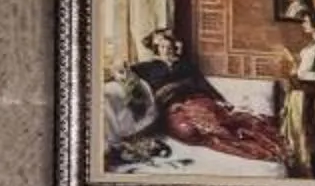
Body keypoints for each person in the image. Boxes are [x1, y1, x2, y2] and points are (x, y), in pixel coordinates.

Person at [122, 27, 284, 163]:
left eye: (169, 45)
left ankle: (245, 138)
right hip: (173, 108)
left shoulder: (184, 65)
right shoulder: (149, 67)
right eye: (162, 46)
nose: (167, 49)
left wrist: (220, 101)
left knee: (214, 123)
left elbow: (202, 84)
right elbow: (124, 70)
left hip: (196, 100)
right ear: (156, 48)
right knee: (187, 132)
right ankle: (228, 135)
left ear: (174, 46)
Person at [276, 0, 315, 180]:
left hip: (309, 96)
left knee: (305, 137)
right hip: (298, 94)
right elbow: (304, 68)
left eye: (306, 21)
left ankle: (308, 173)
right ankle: (297, 169)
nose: (303, 25)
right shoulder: (311, 46)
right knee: (295, 135)